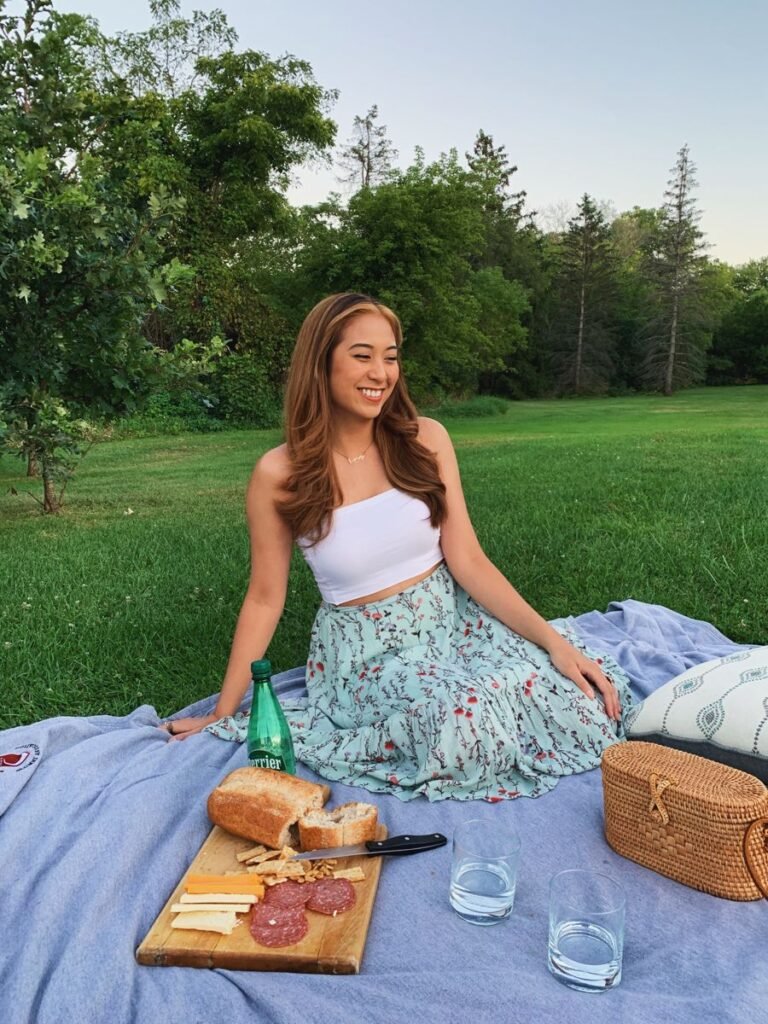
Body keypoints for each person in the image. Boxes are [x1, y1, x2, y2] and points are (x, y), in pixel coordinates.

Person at [162, 292, 632, 801]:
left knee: (574, 690)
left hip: (453, 620)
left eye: (390, 357)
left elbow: (469, 560)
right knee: (464, 718)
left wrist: (555, 644)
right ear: (321, 363)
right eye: (362, 356)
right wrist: (223, 711)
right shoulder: (279, 473)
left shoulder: (425, 439)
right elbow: (264, 598)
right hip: (366, 654)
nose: (381, 373)